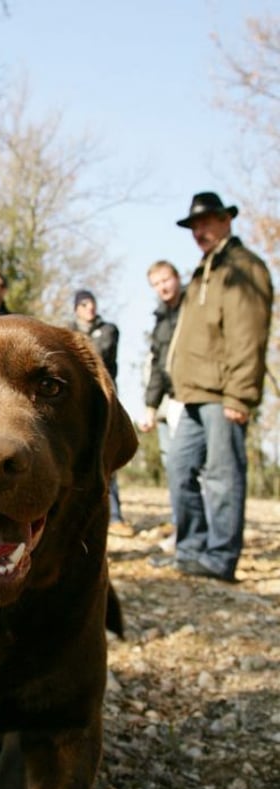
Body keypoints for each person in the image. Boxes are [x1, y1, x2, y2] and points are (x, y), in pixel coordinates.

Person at [167, 191, 273, 582]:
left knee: (224, 477)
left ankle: (220, 558)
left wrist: (240, 395)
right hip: (191, 392)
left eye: (207, 221)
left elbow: (249, 336)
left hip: (223, 394)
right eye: (194, 225)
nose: (200, 230)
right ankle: (190, 550)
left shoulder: (243, 267)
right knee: (179, 469)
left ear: (227, 220)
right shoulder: (203, 269)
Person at [72, 289, 134, 537]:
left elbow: (96, 353)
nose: (90, 308)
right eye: (84, 304)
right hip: (75, 405)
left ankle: (115, 516)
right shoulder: (67, 329)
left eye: (92, 303)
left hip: (101, 402)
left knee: (106, 460)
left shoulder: (108, 329)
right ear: (76, 308)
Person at [139, 260, 185, 551]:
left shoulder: (192, 308)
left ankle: (202, 537)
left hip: (192, 395)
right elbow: (158, 365)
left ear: (177, 278)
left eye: (166, 280)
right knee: (176, 468)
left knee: (195, 469)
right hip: (170, 400)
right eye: (156, 284)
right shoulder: (160, 318)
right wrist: (150, 407)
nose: (163, 287)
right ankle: (185, 531)